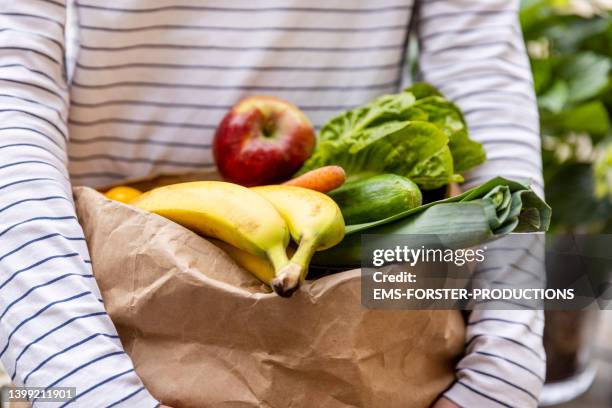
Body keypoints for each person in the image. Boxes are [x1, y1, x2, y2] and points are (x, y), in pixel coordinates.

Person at [0, 0, 545, 406]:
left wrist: (502, 371)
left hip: (364, 346)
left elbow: (483, 77)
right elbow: (11, 96)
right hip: (102, 325)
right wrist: (85, 386)